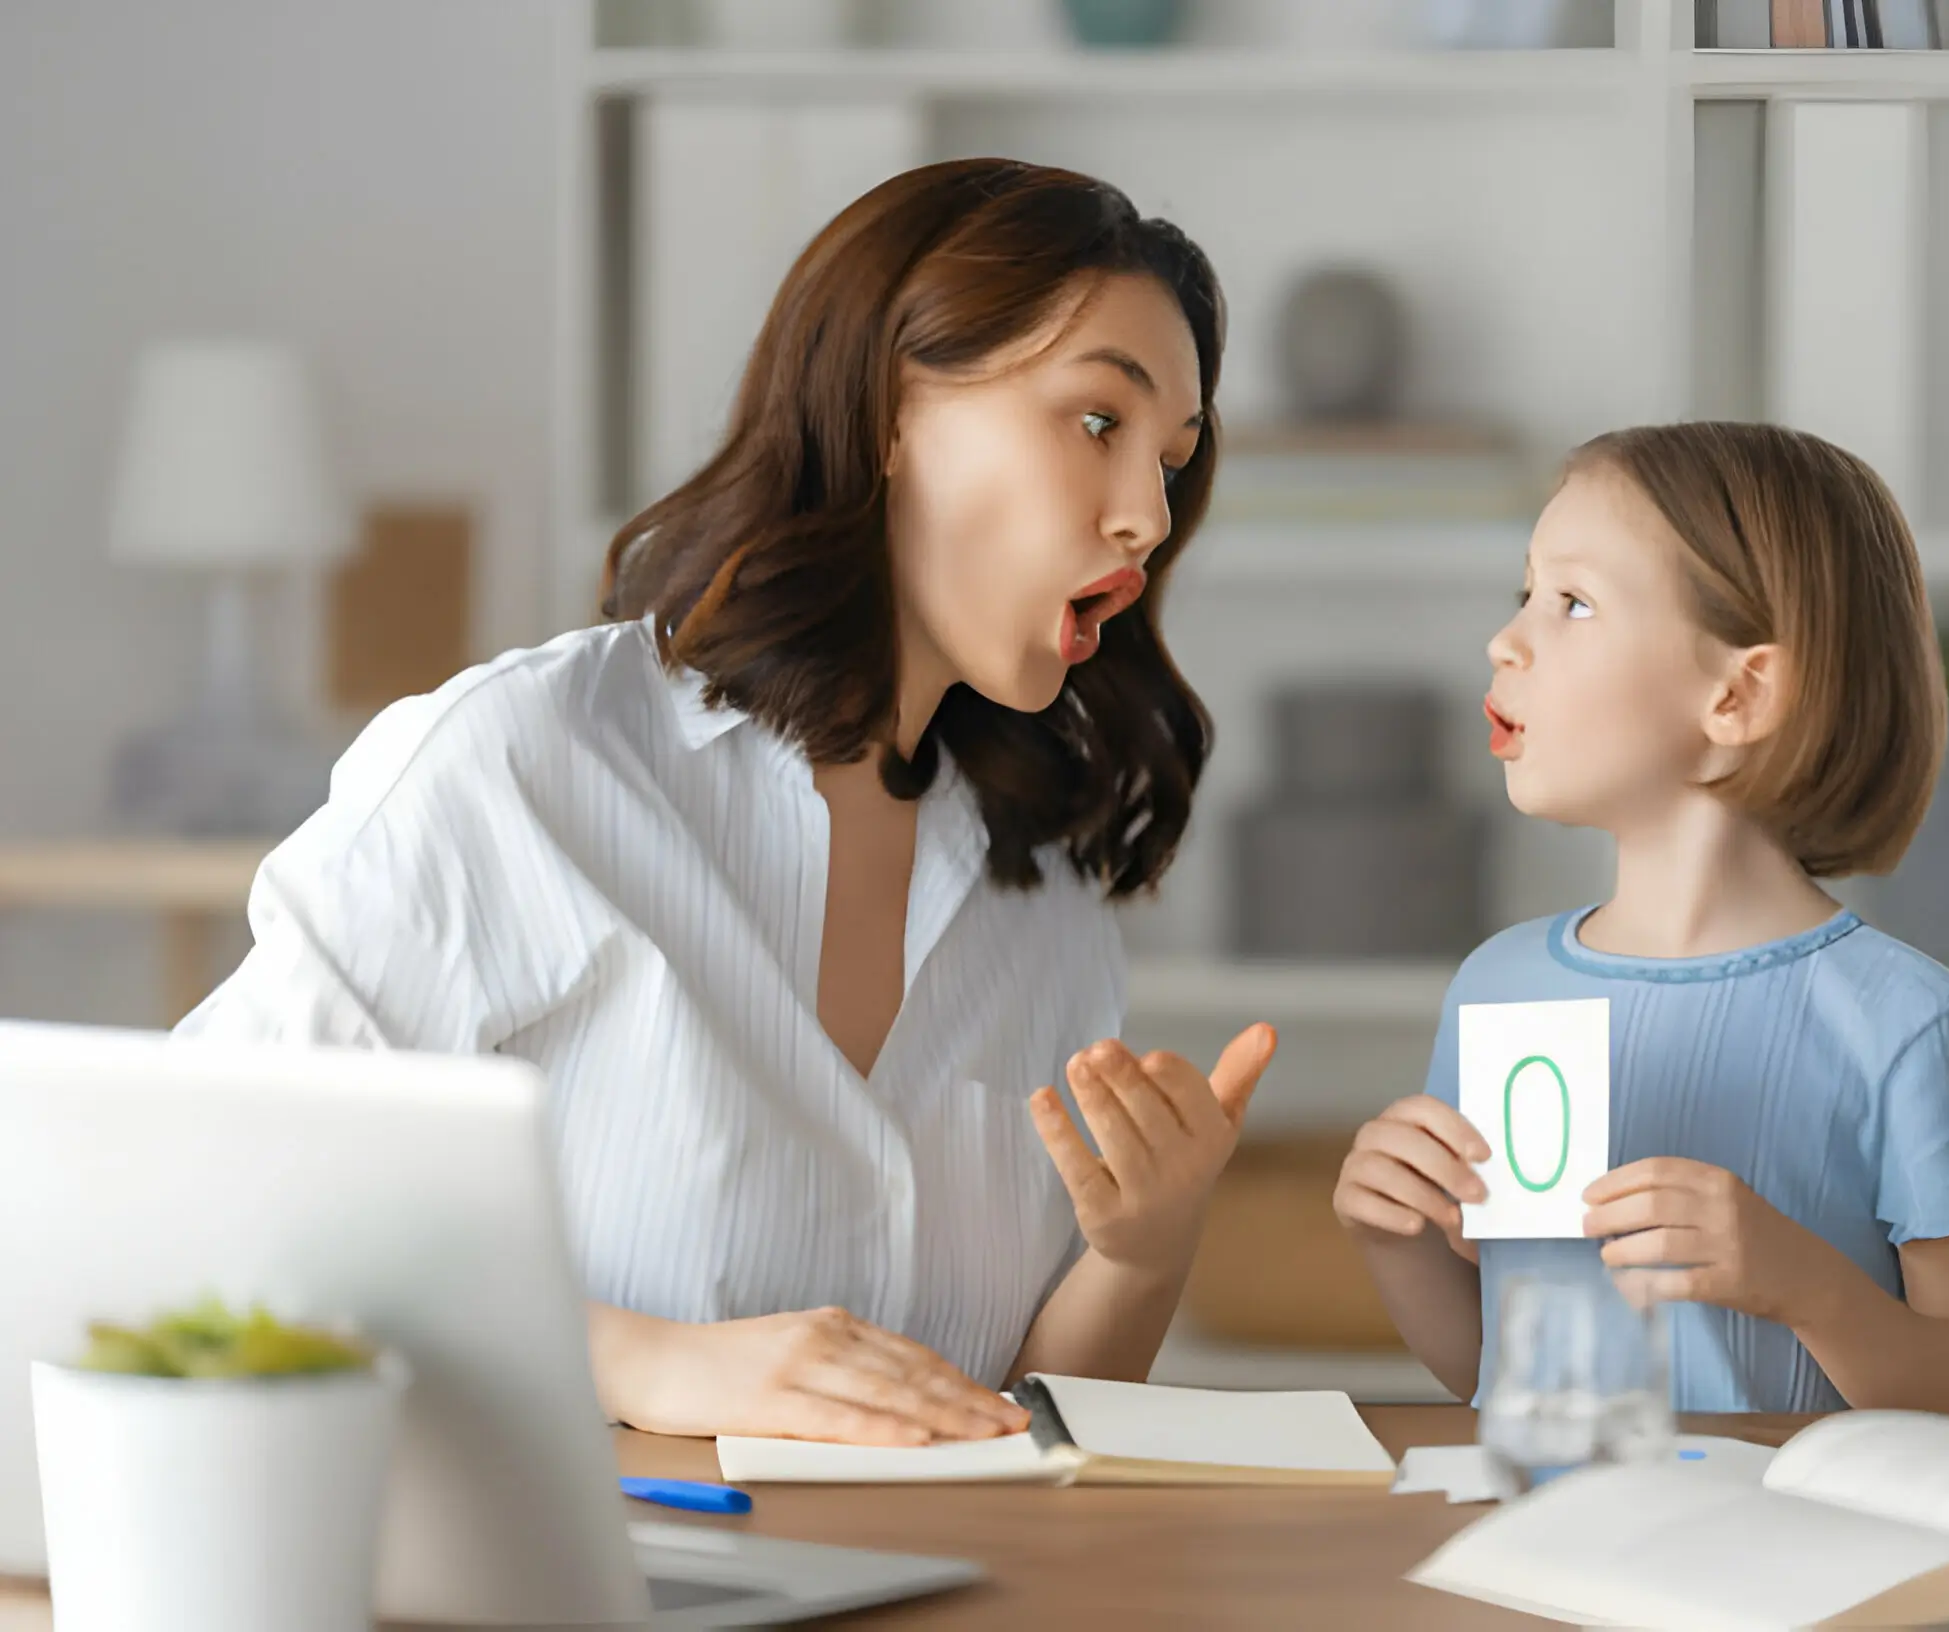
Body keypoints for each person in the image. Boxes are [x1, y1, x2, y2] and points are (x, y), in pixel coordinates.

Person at [179, 158, 1279, 1446]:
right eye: (1100, 422)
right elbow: (209, 1182)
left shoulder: (1048, 901)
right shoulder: (526, 766)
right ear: (886, 410)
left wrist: (1141, 1254)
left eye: (1173, 461)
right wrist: (639, 1364)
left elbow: (1014, 1423)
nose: (1148, 516)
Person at [1331, 422, 1949, 1419]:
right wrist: (1393, 1243)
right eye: (1523, 593)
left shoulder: (1905, 1021)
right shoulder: (1499, 986)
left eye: (1572, 602)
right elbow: (1500, 1376)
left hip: (1792, 1562)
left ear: (1737, 694)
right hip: (1552, 1549)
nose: (1505, 639)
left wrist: (1803, 1283)